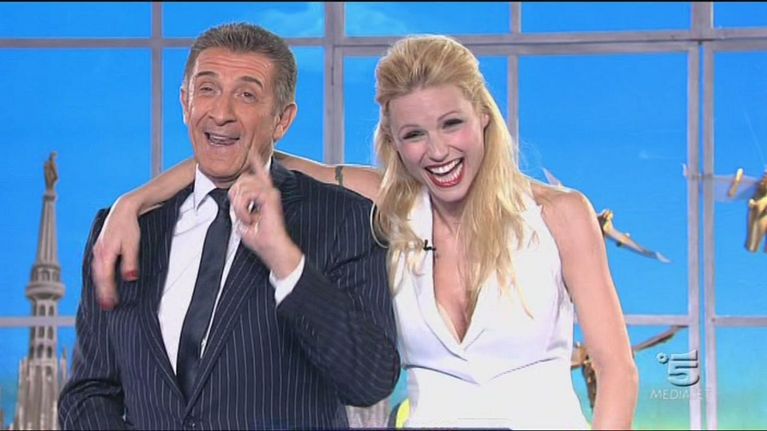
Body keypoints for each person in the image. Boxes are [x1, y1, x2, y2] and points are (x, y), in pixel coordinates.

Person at [91, 34, 639, 429]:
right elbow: (245, 155)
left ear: (484, 117)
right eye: (414, 134)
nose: (438, 151)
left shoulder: (560, 214)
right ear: (394, 143)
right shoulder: (387, 204)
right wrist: (132, 203)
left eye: (452, 124)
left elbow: (617, 371)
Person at [58, 23, 400, 430]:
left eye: (247, 95)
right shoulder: (125, 230)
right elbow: (88, 391)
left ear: (282, 120)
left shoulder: (344, 220)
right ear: (185, 102)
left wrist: (285, 262)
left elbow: (369, 381)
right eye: (207, 89)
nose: (221, 113)